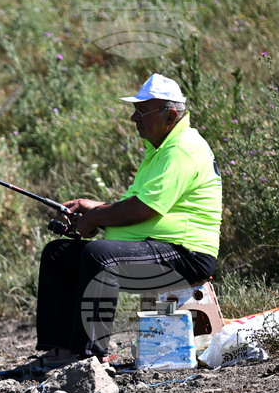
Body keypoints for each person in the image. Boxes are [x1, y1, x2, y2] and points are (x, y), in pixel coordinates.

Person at [35, 73, 222, 366]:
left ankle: (87, 356)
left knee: (100, 256)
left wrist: (95, 216)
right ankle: (59, 350)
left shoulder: (182, 150)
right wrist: (93, 208)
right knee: (58, 254)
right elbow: (136, 204)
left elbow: (144, 209)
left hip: (188, 254)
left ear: (170, 115)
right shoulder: (161, 150)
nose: (134, 118)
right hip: (160, 246)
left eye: (142, 111)